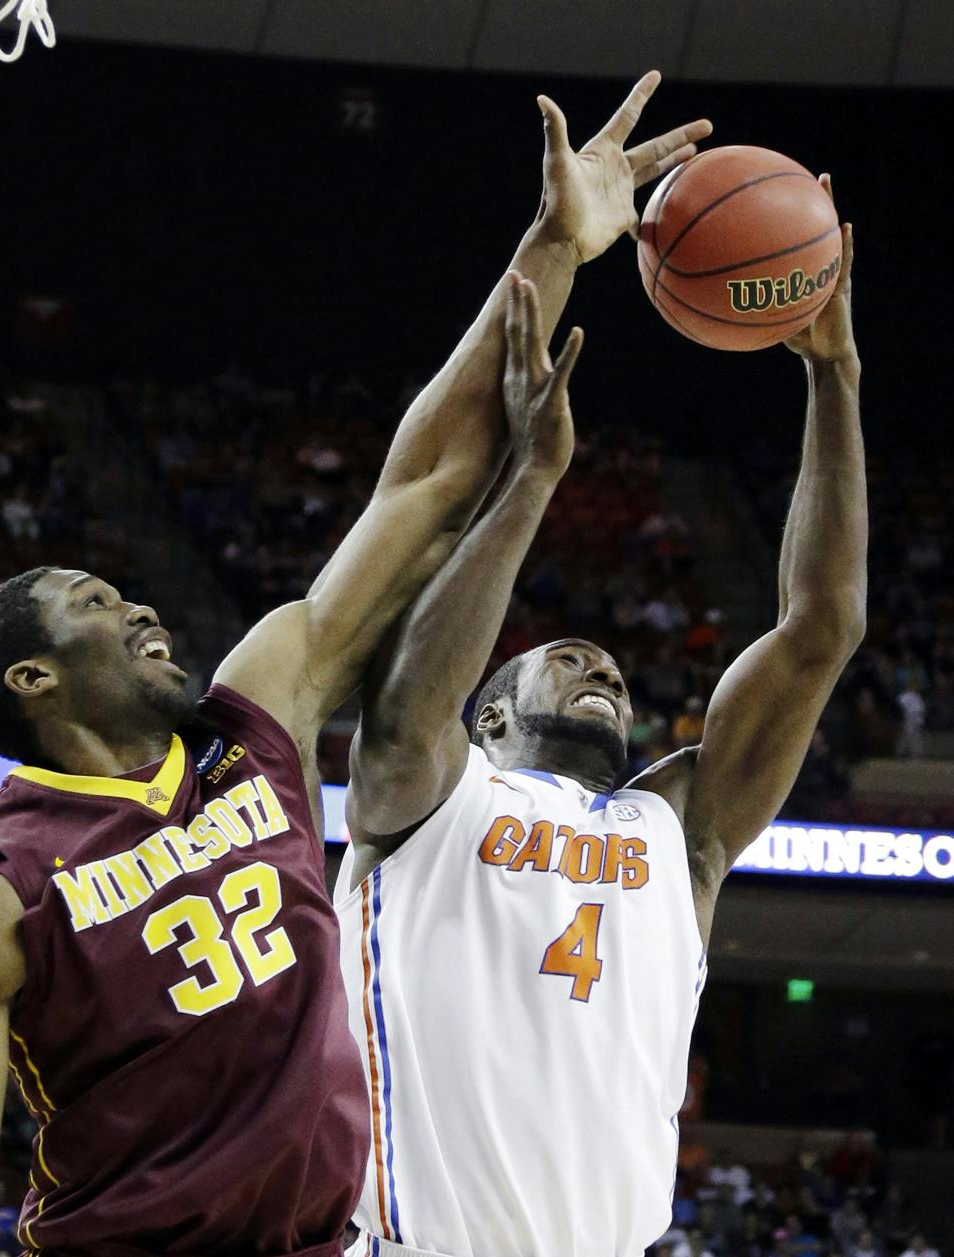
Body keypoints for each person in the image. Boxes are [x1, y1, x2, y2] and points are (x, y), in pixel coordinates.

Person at [0, 75, 709, 1257]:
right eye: (97, 604)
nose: (142, 606)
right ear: (32, 681)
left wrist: (554, 249)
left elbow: (420, 486)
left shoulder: (251, 721)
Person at [335, 187, 864, 1255]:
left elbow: (819, 631)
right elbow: (402, 716)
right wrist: (530, 477)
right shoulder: (429, 796)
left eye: (612, 668)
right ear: (485, 715)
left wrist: (832, 375)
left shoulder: (678, 827)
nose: (600, 667)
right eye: (561, 658)